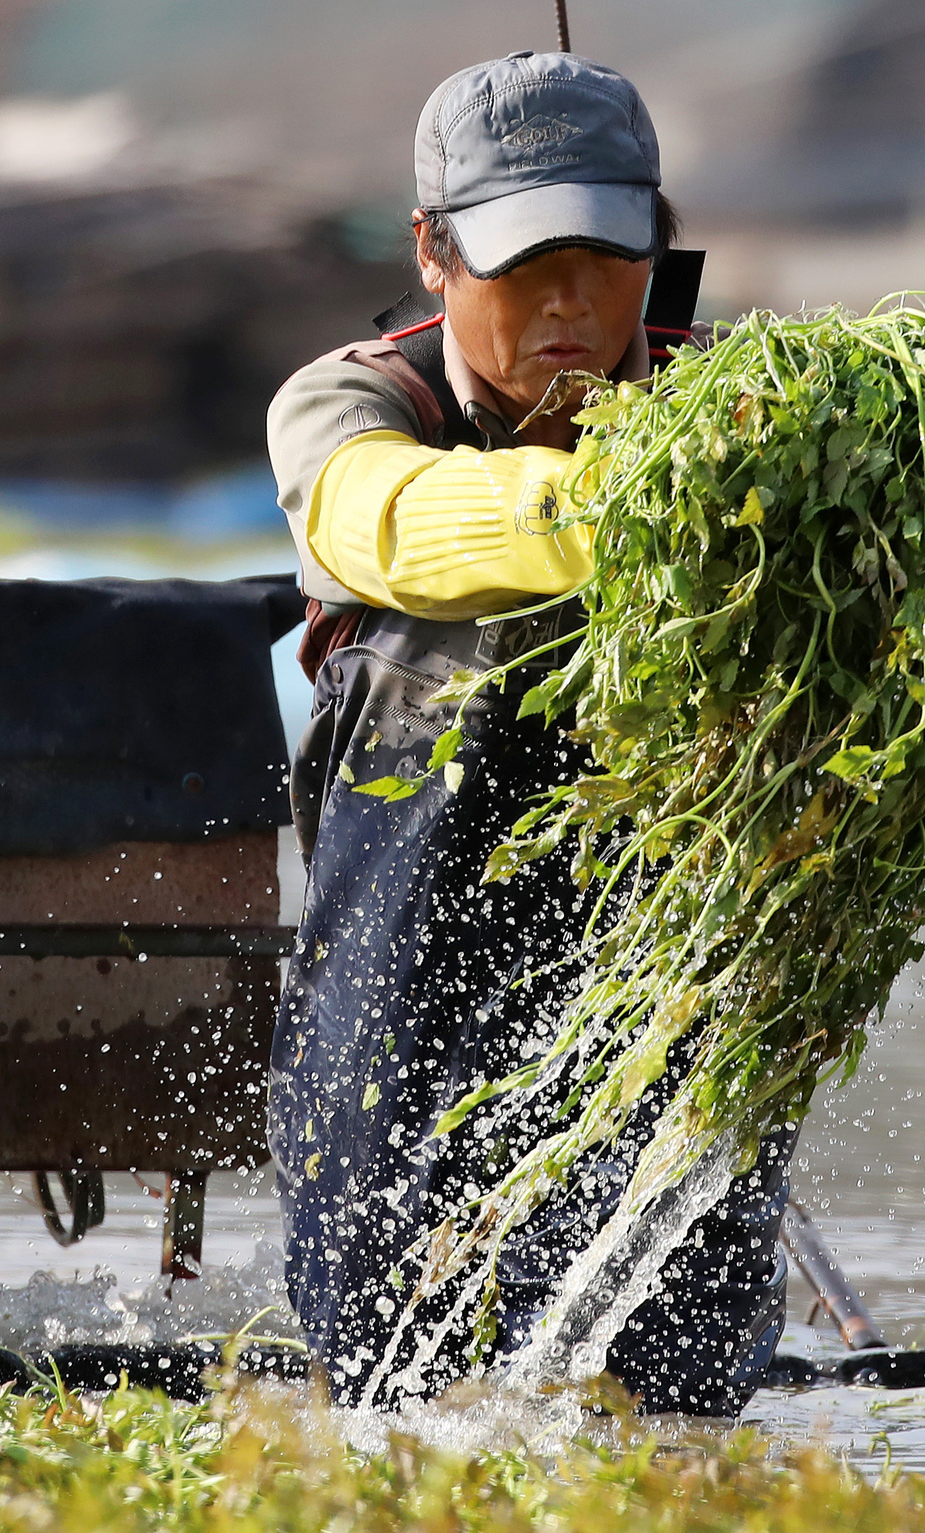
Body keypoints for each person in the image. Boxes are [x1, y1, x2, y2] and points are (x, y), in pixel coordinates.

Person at [266, 51, 793, 1414]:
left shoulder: (758, 406)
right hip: (411, 969)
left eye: (604, 255)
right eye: (521, 259)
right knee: (398, 1388)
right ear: (435, 254)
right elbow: (386, 524)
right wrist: (645, 508)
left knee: (673, 1412)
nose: (568, 300)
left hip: (666, 939)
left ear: (656, 242)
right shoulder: (352, 405)